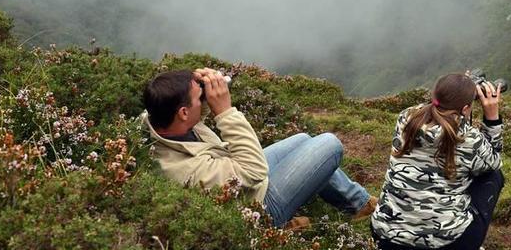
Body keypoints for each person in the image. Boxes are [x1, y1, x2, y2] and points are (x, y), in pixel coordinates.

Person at [141, 67, 377, 229]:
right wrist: (225, 111)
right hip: (258, 207)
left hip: (240, 182)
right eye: (198, 98)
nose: (204, 98)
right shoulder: (184, 170)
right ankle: (277, 228)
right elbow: (254, 171)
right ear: (183, 113)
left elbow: (178, 104)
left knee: (304, 139)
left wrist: (194, 85)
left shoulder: (160, 120)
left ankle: (359, 205)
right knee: (328, 145)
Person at [371, 73, 504, 250]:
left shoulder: (406, 117)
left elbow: (440, 112)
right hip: (444, 244)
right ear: (465, 109)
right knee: (493, 175)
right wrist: (492, 117)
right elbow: (493, 161)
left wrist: (456, 87)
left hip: (385, 236)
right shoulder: (468, 139)